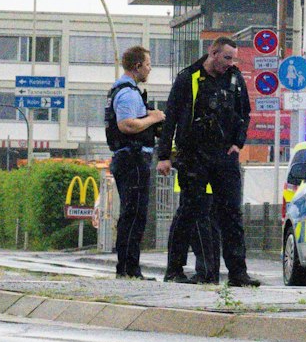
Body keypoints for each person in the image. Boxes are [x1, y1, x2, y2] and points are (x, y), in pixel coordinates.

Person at [157, 36, 259, 287]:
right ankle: (176, 268)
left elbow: (244, 112)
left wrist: (238, 143)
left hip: (225, 156)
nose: (230, 63)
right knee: (191, 210)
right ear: (212, 53)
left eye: (233, 58)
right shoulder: (188, 78)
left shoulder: (235, 79)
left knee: (232, 213)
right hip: (193, 155)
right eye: (227, 57)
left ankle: (238, 273)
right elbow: (170, 118)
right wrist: (164, 156)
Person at [105, 46, 165, 279]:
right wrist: (154, 117)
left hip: (128, 157)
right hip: (133, 157)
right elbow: (127, 124)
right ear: (137, 66)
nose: (150, 68)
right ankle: (129, 268)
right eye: (148, 64)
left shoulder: (121, 90)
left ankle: (127, 267)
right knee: (135, 213)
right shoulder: (129, 93)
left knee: (132, 213)